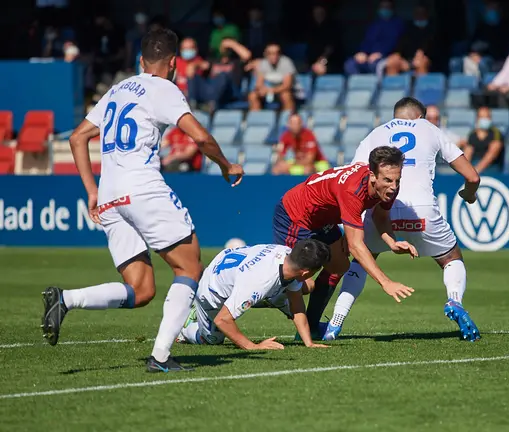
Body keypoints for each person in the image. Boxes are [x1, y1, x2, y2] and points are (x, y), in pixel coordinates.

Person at [41, 28, 244, 373]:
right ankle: (161, 357)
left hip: (109, 192)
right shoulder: (164, 89)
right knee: (189, 265)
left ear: (140, 60)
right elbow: (200, 136)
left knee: (141, 289)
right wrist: (226, 165)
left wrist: (92, 190)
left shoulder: (118, 89)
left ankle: (65, 299)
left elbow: (78, 138)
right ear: (174, 63)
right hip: (141, 185)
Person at [323, 97, 481, 342]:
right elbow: (472, 177)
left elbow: (355, 176)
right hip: (421, 211)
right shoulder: (430, 129)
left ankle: (335, 323)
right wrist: (468, 195)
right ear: (420, 117)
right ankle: (455, 301)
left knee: (362, 261)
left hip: (380, 207)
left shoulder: (375, 134)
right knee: (450, 257)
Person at [273, 146, 417, 337]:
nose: (393, 186)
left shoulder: (388, 188)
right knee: (303, 284)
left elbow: (381, 217)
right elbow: (356, 245)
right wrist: (386, 282)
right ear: (373, 176)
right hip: (295, 216)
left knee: (340, 265)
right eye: (388, 180)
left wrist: (392, 243)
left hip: (322, 221)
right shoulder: (352, 190)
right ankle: (241, 303)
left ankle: (311, 327)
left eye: (397, 180)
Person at [176, 240, 331, 350]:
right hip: (212, 291)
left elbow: (296, 304)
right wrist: (253, 346)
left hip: (233, 267)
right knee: (211, 340)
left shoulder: (288, 256)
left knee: (305, 286)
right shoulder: (260, 282)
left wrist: (308, 342)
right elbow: (223, 319)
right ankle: (185, 328)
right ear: (305, 272)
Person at [344, 0, 404, 75]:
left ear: (392, 9)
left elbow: (395, 43)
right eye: (382, 7)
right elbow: (367, 41)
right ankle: (359, 85)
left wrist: (380, 53)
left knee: (374, 65)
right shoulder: (374, 24)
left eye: (387, 7)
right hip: (368, 56)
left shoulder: (397, 24)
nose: (384, 9)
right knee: (350, 64)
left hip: (385, 57)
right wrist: (363, 52)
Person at [248, 43, 298, 112]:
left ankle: (288, 118)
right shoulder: (263, 63)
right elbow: (259, 82)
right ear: (266, 54)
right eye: (270, 53)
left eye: (276, 53)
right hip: (268, 91)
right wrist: (263, 90)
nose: (274, 56)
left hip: (283, 91)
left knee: (285, 95)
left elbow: (287, 85)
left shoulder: (286, 63)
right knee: (252, 96)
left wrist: (271, 90)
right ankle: (257, 119)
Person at [463, 107, 504, 174]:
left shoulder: (496, 133)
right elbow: (468, 153)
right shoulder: (472, 134)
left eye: (486, 117)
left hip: (491, 167)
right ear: (477, 119)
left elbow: (492, 154)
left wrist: (477, 170)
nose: (484, 120)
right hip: (474, 164)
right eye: (481, 117)